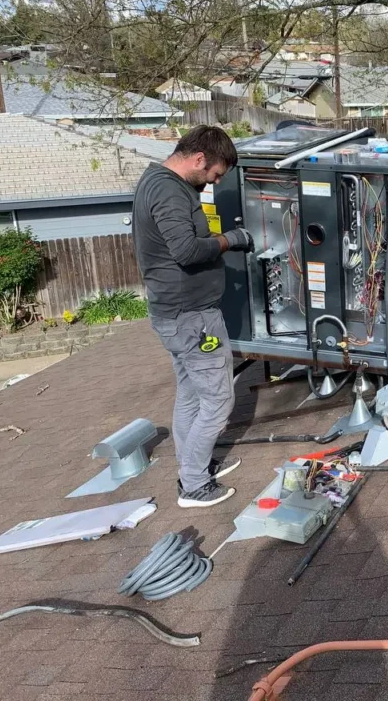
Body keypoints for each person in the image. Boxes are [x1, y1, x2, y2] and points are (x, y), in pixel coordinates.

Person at [132, 126, 254, 508]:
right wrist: (232, 240)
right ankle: (194, 485)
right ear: (199, 159)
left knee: (190, 394)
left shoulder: (156, 180)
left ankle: (192, 467)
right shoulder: (168, 190)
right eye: (215, 174)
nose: (214, 182)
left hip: (174, 314)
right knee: (218, 401)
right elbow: (185, 251)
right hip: (192, 318)